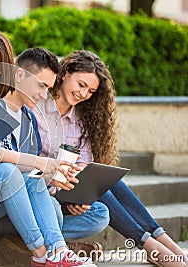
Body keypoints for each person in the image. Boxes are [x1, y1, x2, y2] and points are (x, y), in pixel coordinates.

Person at [0, 39, 96, 266]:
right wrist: (40, 163)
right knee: (10, 173)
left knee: (51, 199)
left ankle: (57, 250)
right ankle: (40, 253)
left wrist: (48, 172)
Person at [33, 49, 188, 267]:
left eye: (90, 91)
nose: (83, 94)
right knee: (99, 191)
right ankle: (150, 245)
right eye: (81, 85)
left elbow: (84, 165)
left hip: (65, 190)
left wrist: (79, 197)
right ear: (66, 73)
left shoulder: (79, 120)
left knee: (100, 212)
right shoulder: (36, 107)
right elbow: (31, 163)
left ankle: (163, 240)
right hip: (40, 191)